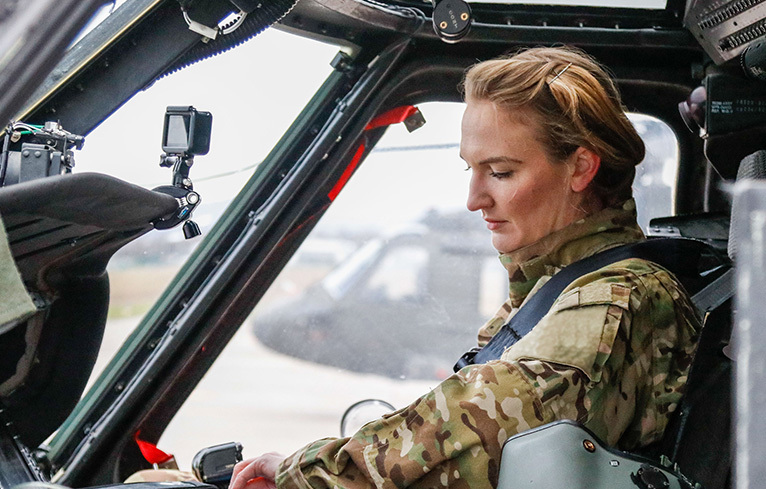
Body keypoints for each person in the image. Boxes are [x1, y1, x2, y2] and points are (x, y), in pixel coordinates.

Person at [229, 46, 700, 489]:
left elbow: (482, 422)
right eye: (470, 170)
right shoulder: (550, 289)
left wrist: (307, 475)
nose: (474, 200)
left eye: (500, 172)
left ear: (580, 169)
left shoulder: (617, 299)